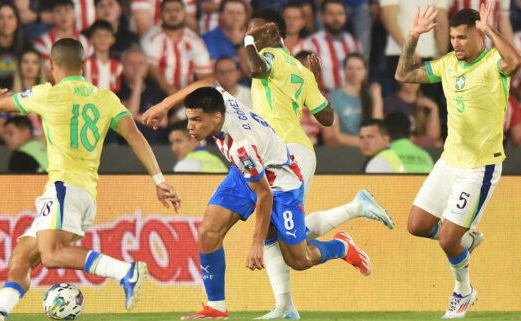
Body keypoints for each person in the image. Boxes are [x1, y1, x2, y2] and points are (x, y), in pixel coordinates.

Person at [143, 9, 395, 319]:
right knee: (211, 229)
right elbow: (326, 118)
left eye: (254, 31)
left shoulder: (269, 59)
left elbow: (254, 68)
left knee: (295, 252)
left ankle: (343, 240)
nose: (248, 37)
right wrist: (312, 83)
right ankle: (225, 307)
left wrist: (250, 40)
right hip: (260, 154)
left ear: (271, 33)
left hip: (282, 160)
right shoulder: (300, 71)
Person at [0, 38, 181, 321]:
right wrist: (159, 179)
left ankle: (126, 271)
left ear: (50, 67)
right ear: (84, 65)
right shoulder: (106, 98)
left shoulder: (47, 93)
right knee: (22, 257)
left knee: (51, 255)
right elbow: (135, 135)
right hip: (85, 193)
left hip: (64, 188)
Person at [161, 84, 376, 321]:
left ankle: (341, 246)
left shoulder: (242, 145)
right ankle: (216, 308)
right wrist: (165, 104)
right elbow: (208, 82)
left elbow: (265, 194)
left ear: (217, 117)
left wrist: (256, 243)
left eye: (197, 120)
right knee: (208, 231)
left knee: (299, 260)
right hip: (248, 172)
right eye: (189, 118)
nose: (190, 126)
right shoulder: (220, 100)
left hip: (280, 184)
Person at [395, 4, 521, 318]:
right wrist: (412, 37)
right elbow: (403, 74)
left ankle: (463, 292)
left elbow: (517, 61)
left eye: (463, 37)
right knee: (417, 225)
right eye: (453, 37)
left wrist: (491, 27)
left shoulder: (494, 62)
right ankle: (465, 238)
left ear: (478, 36)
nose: (456, 43)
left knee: (448, 240)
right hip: (449, 162)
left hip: (480, 167)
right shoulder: (448, 64)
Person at [140, 0, 212, 95]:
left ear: (184, 14)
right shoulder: (151, 37)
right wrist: (169, 89)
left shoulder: (195, 40)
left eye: (177, 10)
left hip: (188, 95)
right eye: (168, 11)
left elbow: (203, 73)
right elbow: (151, 68)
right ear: (161, 14)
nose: (173, 14)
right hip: (157, 92)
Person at [304, 0, 361, 92]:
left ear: (345, 17)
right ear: (323, 17)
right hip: (322, 99)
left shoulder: (352, 42)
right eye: (331, 14)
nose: (336, 18)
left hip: (350, 98)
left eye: (340, 13)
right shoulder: (311, 43)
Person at [327, 52, 383, 146]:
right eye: (350, 68)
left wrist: (377, 98)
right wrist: (367, 142)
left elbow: (378, 128)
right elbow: (335, 137)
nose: (354, 72)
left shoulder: (371, 95)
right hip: (344, 151)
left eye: (359, 68)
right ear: (344, 70)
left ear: (365, 71)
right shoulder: (333, 97)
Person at [0, 49, 47, 143]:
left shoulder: (49, 95)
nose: (29, 66)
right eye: (25, 61)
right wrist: (16, 142)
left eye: (35, 62)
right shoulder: (9, 96)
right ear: (19, 66)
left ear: (40, 68)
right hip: (18, 148)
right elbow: (0, 129)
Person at [0, 3, 33, 90]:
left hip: (19, 96)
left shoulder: (27, 46)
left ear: (17, 21)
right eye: (1, 17)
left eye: (10, 17)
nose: (6, 22)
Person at [383, 81, 442, 147]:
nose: (413, 83)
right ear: (400, 80)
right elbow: (389, 133)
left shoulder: (427, 103)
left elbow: (434, 136)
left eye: (416, 79)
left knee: (438, 144)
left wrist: (434, 108)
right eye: (409, 79)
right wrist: (417, 140)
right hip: (399, 143)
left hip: (420, 144)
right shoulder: (389, 102)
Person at [202, 0, 248, 65]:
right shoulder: (208, 39)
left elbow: (253, 72)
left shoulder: (255, 38)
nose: (235, 17)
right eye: (230, 13)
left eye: (239, 13)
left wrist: (238, 45)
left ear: (245, 16)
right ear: (221, 15)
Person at [83, 20, 122, 93]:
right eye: (98, 36)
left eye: (106, 35)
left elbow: (117, 92)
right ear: (91, 39)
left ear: (113, 39)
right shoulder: (85, 64)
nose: (102, 39)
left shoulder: (118, 66)